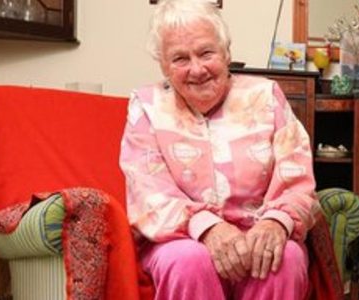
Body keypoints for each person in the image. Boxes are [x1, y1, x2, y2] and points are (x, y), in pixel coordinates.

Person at [119, 0, 318, 299]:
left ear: (226, 53)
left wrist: (276, 222)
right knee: (189, 261)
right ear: (163, 65)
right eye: (180, 59)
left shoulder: (265, 96)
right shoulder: (147, 106)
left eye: (206, 53)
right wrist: (208, 228)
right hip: (182, 239)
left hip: (257, 229)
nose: (197, 69)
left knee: (281, 257)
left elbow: (297, 176)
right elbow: (148, 191)